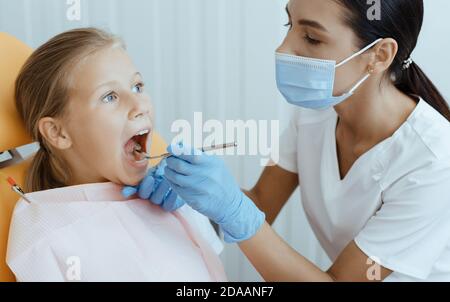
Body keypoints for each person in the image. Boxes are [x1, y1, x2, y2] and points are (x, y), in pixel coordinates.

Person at [130, 0, 450, 281]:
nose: (283, 49)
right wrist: (194, 197)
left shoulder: (433, 162)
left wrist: (232, 208)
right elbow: (261, 203)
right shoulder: (317, 111)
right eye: (290, 24)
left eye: (311, 37)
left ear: (379, 55)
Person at [7, 28, 225, 282]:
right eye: (110, 96)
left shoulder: (170, 195)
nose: (140, 105)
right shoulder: (44, 238)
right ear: (57, 132)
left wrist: (216, 205)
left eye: (137, 86)